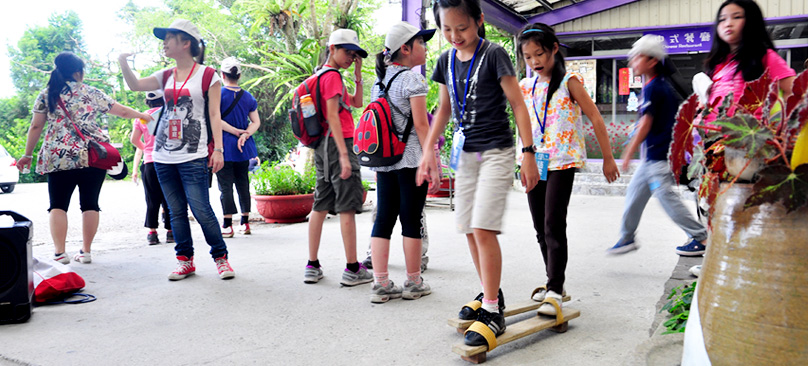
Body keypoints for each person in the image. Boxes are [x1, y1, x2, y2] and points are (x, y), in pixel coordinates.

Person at [418, 0, 539, 346]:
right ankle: (492, 294)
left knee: (483, 227)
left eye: (463, 28)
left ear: (479, 21)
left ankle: (491, 312)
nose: (455, 36)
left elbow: (518, 103)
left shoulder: (495, 54)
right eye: (447, 30)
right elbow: (442, 110)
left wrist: (527, 153)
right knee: (469, 229)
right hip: (466, 153)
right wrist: (429, 153)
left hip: (497, 151)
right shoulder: (444, 61)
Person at [118, 19, 234, 280]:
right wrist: (122, 61)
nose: (165, 42)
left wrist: (219, 150)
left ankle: (221, 258)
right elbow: (135, 85)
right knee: (176, 211)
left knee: (201, 209)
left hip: (194, 153)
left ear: (186, 43)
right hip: (161, 154)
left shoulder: (208, 75)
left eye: (169, 37)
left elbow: (215, 115)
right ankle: (185, 260)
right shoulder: (165, 75)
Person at [516, 23, 619, 316]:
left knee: (552, 224)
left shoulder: (570, 81)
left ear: (554, 49)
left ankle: (554, 289)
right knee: (539, 228)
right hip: (535, 162)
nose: (535, 62)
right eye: (528, 57)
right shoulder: (525, 86)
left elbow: (596, 119)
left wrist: (608, 158)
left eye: (540, 54)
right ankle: (553, 284)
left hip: (563, 162)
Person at [16, 52, 153, 265]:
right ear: (78, 72)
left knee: (58, 205)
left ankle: (60, 253)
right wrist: (142, 115)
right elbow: (122, 112)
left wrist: (27, 155)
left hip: (59, 156)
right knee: (90, 203)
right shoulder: (90, 92)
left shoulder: (47, 94)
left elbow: (36, 126)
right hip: (93, 155)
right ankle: (86, 251)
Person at [608, 35, 709, 258]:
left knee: (666, 197)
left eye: (637, 58)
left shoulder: (655, 88)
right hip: (652, 158)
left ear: (652, 61)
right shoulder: (655, 86)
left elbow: (646, 124)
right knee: (634, 194)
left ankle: (701, 237)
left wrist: (627, 153)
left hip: (661, 157)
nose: (632, 62)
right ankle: (627, 237)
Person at [366, 21, 436, 303]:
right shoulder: (412, 80)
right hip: (410, 161)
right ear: (405, 49)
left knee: (383, 218)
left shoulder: (378, 83)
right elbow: (421, 125)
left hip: (384, 161)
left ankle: (381, 284)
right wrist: (432, 159)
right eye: (421, 42)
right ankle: (414, 281)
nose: (425, 47)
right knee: (411, 219)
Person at [303, 29, 372, 287]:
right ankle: (353, 268)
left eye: (354, 54)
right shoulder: (331, 77)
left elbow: (356, 102)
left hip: (323, 146)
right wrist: (344, 156)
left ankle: (312, 265)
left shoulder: (325, 76)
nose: (350, 57)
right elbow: (333, 115)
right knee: (347, 206)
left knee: (320, 205)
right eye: (346, 52)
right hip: (337, 144)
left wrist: (357, 77)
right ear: (332, 48)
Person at [701, 0, 795, 125]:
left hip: (751, 138)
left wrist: (783, 125)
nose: (728, 24)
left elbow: (794, 92)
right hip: (713, 137)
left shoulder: (766, 57)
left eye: (737, 17)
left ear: (752, 21)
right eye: (722, 19)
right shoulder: (717, 63)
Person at [216, 57, 261, 237]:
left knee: (225, 185)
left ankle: (227, 224)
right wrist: (245, 134)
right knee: (243, 183)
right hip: (244, 147)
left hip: (224, 146)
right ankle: (245, 222)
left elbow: (214, 119)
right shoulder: (248, 96)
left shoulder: (217, 95)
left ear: (222, 75)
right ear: (239, 75)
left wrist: (234, 132)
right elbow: (256, 122)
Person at [131, 90, 174, 246]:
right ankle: (170, 232)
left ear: (147, 101)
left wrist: (147, 149)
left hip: (149, 162)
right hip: (168, 161)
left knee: (151, 197)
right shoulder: (170, 114)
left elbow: (134, 139)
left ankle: (152, 233)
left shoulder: (141, 118)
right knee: (169, 196)